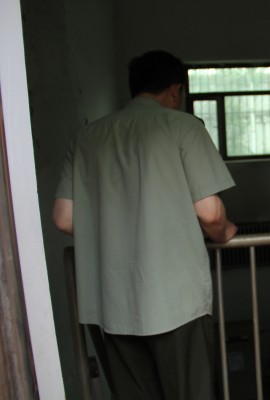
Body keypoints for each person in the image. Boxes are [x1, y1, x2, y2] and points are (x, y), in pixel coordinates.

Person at [53, 50, 237, 400]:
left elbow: (63, 218)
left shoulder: (86, 137)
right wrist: (226, 232)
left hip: (112, 301)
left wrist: (117, 229)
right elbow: (211, 213)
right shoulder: (183, 126)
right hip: (177, 301)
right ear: (175, 90)